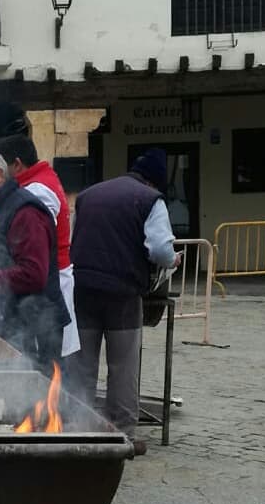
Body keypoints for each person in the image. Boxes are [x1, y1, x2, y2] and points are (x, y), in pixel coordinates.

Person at [67, 147, 182, 451]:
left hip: (83, 289)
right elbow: (159, 250)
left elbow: (74, 236)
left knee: (83, 364)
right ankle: (122, 434)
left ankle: (79, 429)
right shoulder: (150, 200)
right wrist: (173, 260)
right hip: (122, 294)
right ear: (154, 182)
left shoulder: (89, 195)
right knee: (123, 366)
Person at [0, 149, 70, 372]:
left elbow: (33, 275)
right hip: (11, 323)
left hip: (36, 327)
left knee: (37, 398)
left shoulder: (25, 212)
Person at [0, 134, 80, 358]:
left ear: (17, 164)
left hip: (49, 283)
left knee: (48, 360)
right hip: (45, 280)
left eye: (0, 169)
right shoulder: (39, 180)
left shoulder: (37, 191)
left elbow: (36, 245)